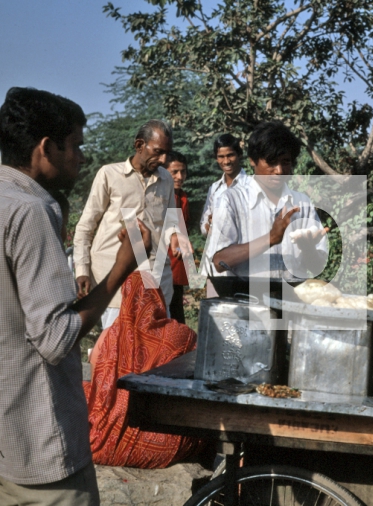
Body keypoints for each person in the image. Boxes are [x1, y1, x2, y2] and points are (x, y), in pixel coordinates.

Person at [0, 87, 151, 505]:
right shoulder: (28, 213)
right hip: (40, 450)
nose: (83, 157)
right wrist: (122, 266)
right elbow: (55, 338)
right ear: (46, 148)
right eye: (77, 146)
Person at [84, 272, 203, 468]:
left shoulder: (109, 336)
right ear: (158, 298)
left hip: (108, 438)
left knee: (82, 390)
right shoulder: (183, 335)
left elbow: (100, 389)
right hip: (167, 440)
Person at [73, 119, 181, 328]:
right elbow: (86, 226)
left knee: (154, 348)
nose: (163, 159)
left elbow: (171, 221)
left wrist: (175, 235)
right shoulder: (109, 174)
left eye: (167, 153)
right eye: (158, 152)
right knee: (114, 349)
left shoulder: (166, 178)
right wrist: (82, 269)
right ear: (139, 145)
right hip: (112, 280)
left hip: (155, 278)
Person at [212, 121, 328, 279]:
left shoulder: (302, 203)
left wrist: (308, 249)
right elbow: (219, 261)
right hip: (248, 300)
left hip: (292, 299)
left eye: (285, 162)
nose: (279, 171)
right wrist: (271, 238)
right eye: (271, 162)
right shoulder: (231, 200)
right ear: (253, 160)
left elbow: (317, 266)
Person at [199, 134, 250, 296]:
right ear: (216, 158)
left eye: (230, 155)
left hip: (242, 266)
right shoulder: (215, 188)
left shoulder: (251, 186)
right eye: (221, 157)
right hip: (215, 267)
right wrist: (208, 226)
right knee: (217, 313)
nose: (226, 161)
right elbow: (203, 225)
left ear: (239, 155)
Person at [166, 151, 190, 323]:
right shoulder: (159, 196)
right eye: (174, 172)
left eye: (183, 172)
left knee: (177, 319)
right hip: (161, 270)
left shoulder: (182, 197)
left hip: (177, 267)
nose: (179, 176)